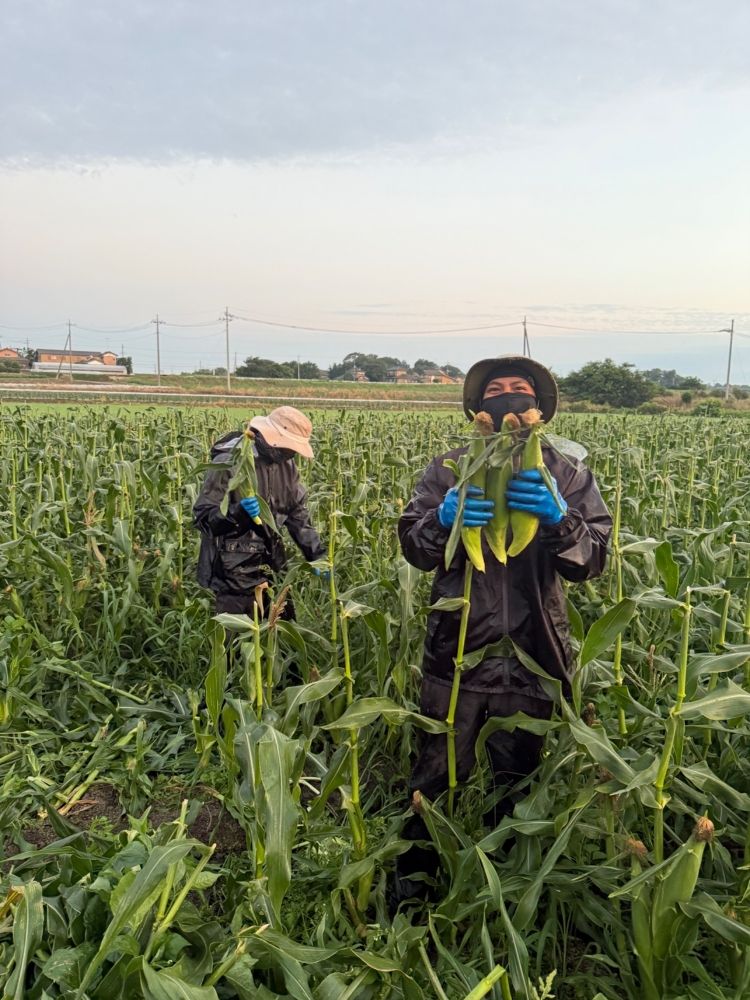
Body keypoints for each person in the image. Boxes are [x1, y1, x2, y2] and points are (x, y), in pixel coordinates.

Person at [393, 355, 612, 902]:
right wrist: (440, 522)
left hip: (536, 647)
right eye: (496, 389)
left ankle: (508, 888)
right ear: (477, 408)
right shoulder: (448, 468)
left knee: (518, 781)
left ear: (538, 407)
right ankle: (414, 885)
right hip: (460, 646)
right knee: (435, 774)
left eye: (519, 389)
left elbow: (591, 561)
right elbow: (416, 550)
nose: (507, 397)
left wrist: (561, 520)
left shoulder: (564, 472)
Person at [193, 405, 327, 618]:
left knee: (281, 636)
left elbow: (296, 513)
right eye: (289, 447)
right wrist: (237, 513)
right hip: (232, 571)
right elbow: (203, 518)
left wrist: (317, 554)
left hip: (271, 564)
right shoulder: (229, 459)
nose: (292, 453)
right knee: (234, 644)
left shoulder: (286, 464)